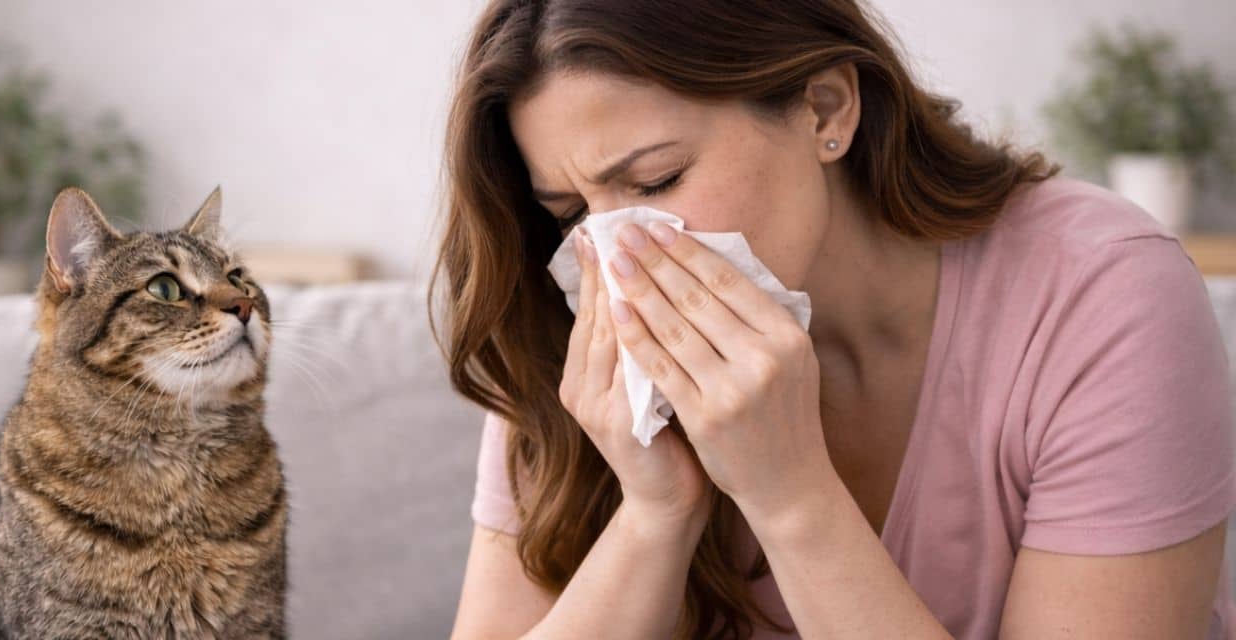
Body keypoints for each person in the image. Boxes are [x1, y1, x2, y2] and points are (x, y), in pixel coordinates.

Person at [429, 1, 1236, 638]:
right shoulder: (575, 332)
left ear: (825, 108)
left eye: (656, 180)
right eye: (571, 212)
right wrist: (656, 516)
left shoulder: (1098, 295)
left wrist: (789, 497)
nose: (614, 257)